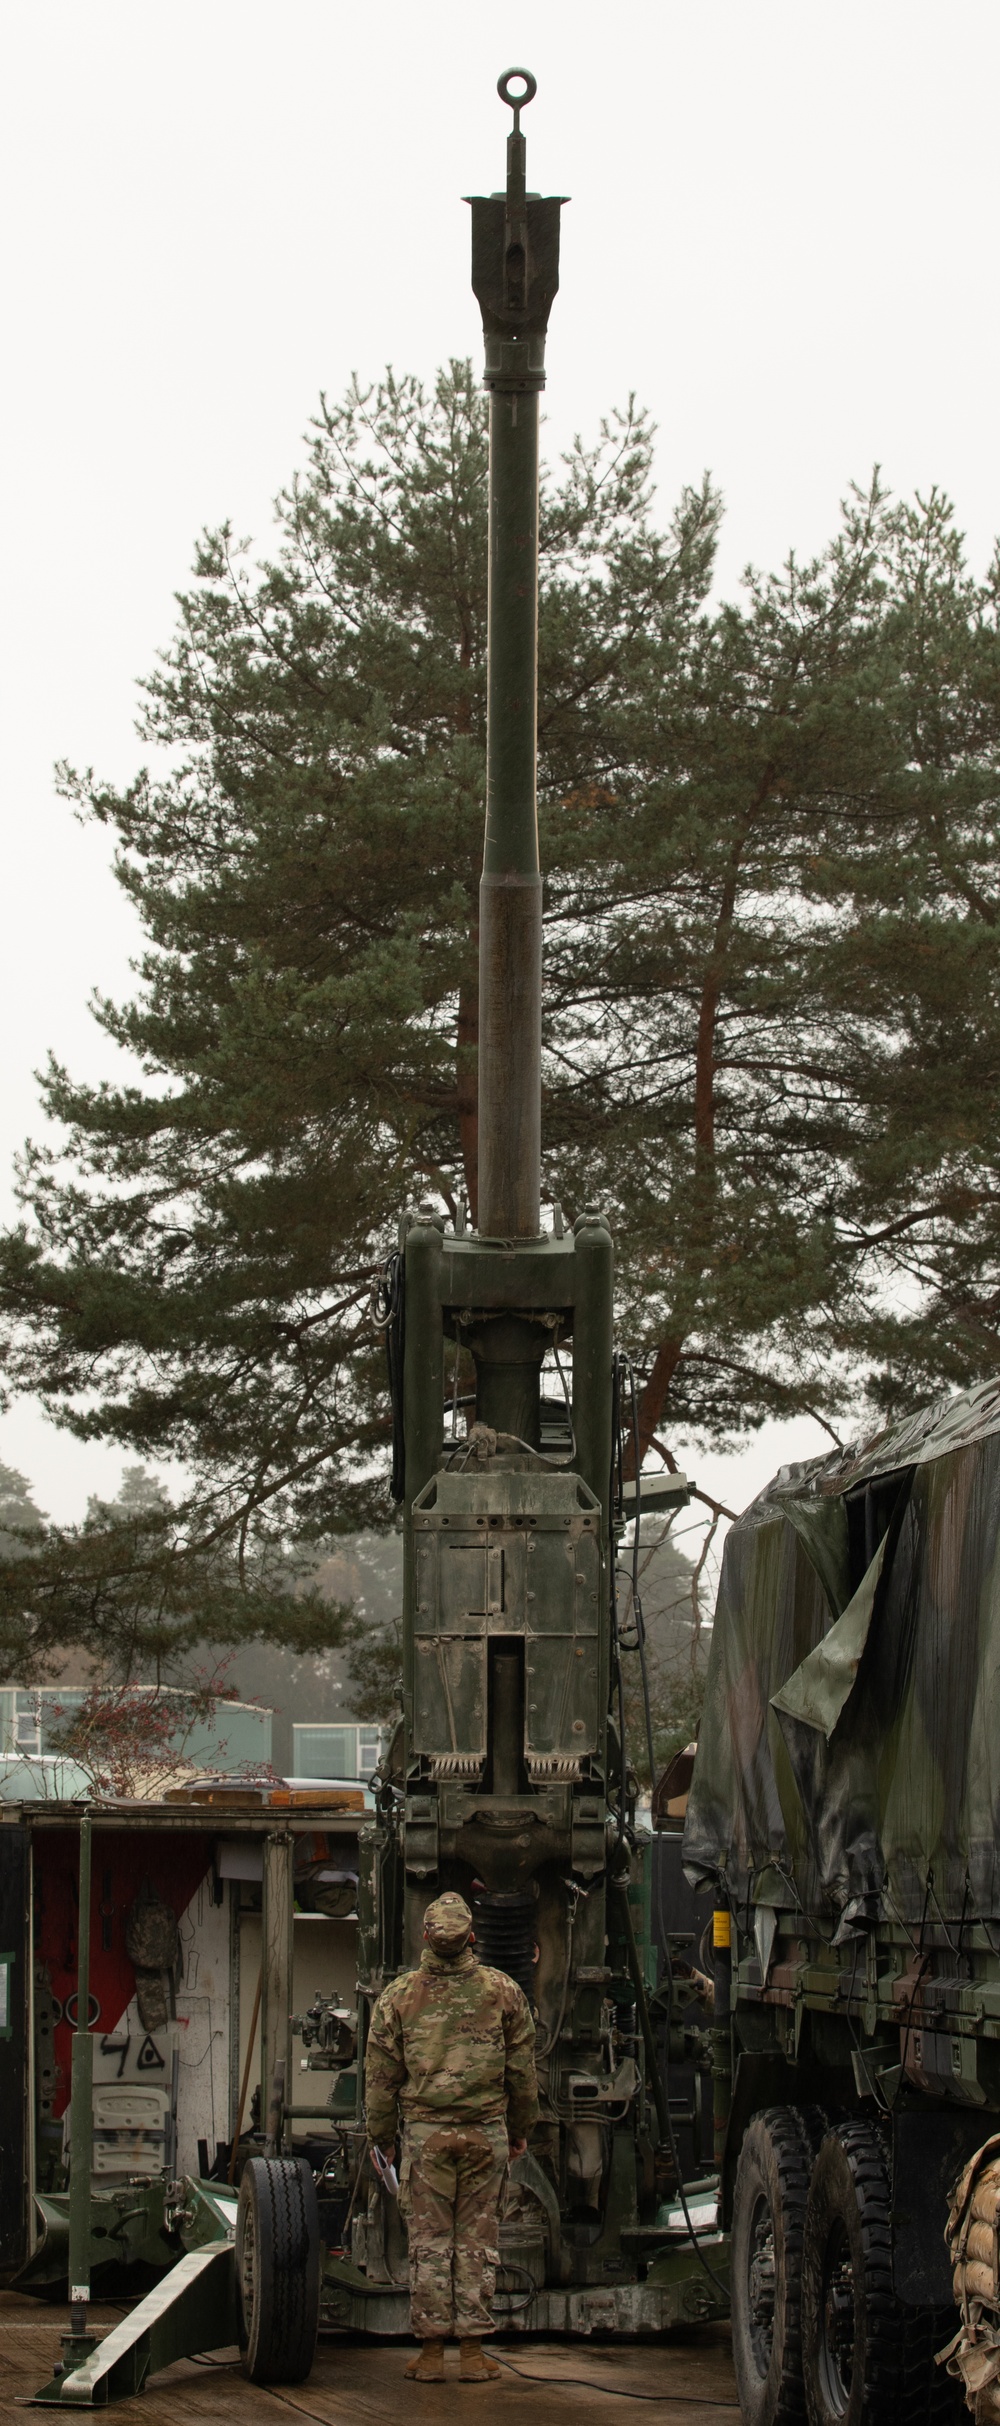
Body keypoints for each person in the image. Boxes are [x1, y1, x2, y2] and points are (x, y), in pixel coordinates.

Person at [365, 1889, 538, 2384]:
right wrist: (521, 2130)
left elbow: (381, 2079)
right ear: (472, 1936)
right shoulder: (503, 1991)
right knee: (479, 2241)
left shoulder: (397, 1996)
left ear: (425, 1936)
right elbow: (523, 2072)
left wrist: (384, 2138)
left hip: (425, 2139)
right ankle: (475, 2353)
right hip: (486, 2136)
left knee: (431, 2242)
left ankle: (432, 2353)